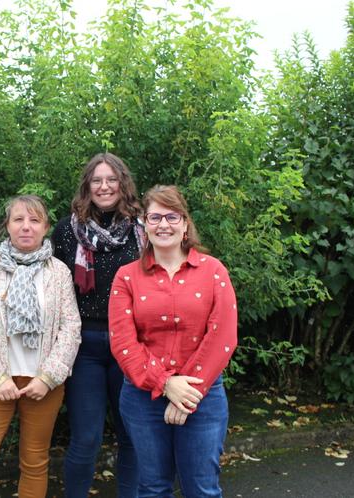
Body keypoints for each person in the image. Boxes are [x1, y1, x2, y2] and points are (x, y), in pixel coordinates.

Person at [108, 184, 238, 498]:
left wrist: (187, 391)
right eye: (155, 217)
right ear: (143, 223)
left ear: (184, 223)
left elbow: (223, 335)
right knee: (152, 488)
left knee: (202, 490)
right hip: (142, 399)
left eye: (171, 216)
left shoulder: (213, 271)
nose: (163, 225)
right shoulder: (126, 277)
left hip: (202, 397)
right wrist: (166, 384)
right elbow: (123, 343)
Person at [0, 195, 81, 498]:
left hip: (43, 386)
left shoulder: (59, 272)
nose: (27, 227)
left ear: (46, 227)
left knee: (35, 462)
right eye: (19, 220)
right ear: (7, 226)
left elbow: (71, 327)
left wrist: (48, 378)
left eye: (35, 220)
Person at [52, 153, 143, 497]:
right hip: (83, 347)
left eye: (111, 179)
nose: (104, 186)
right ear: (87, 186)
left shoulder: (142, 230)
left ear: (123, 184)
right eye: (97, 180)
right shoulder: (66, 231)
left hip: (131, 345)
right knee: (85, 438)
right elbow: (56, 289)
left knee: (131, 435)